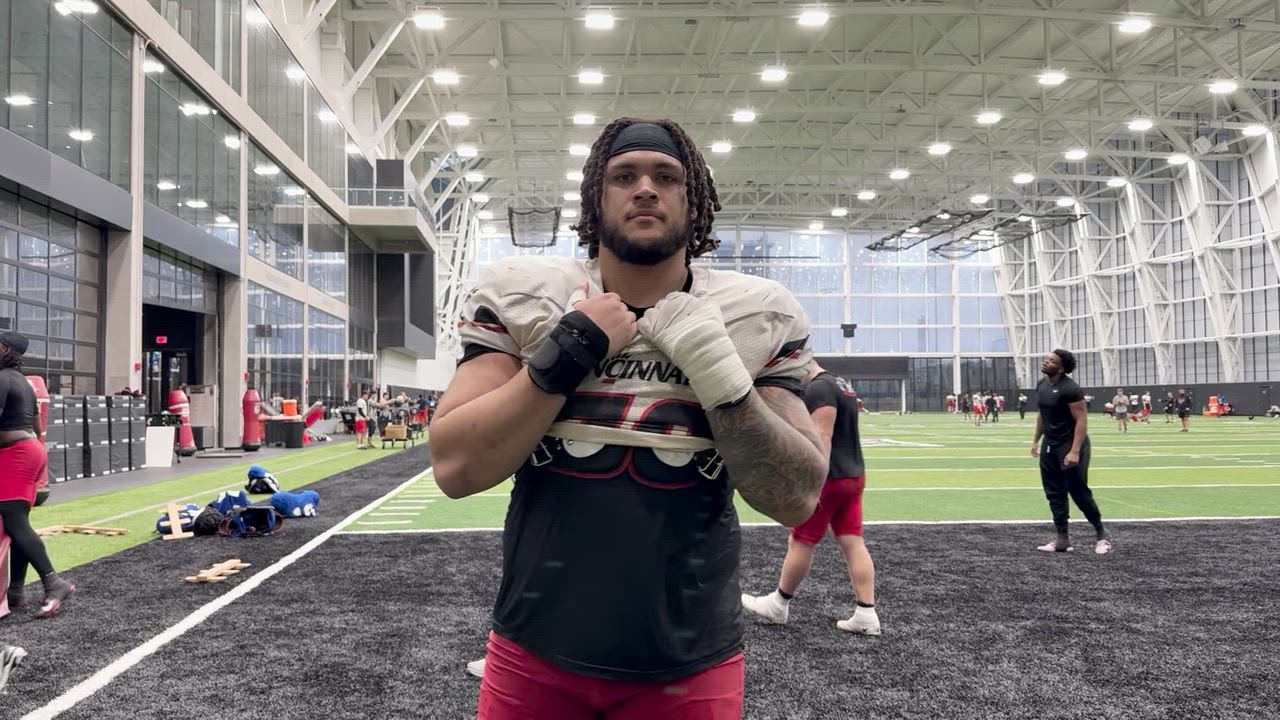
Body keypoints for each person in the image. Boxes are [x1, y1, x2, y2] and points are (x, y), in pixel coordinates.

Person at [431, 117, 826, 719]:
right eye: (624, 176)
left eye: (666, 176)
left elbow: (795, 498)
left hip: (692, 660)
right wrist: (568, 352)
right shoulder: (529, 296)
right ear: (597, 197)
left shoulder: (754, 314)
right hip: (535, 648)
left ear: (694, 202)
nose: (645, 188)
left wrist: (720, 376)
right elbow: (455, 468)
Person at [741, 360, 879, 635]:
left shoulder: (819, 388)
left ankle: (779, 603)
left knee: (801, 541)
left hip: (830, 478)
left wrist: (812, 483)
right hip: (853, 474)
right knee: (852, 542)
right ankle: (866, 613)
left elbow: (822, 437)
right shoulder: (840, 383)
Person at [0, 331, 76, 616]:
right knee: (16, 522)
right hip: (30, 451)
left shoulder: (2, 379)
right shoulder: (25, 383)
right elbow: (36, 426)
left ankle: (54, 582)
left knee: (14, 520)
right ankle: (16, 591)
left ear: (6, 350)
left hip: (15, 454)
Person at [1032, 349, 1110, 554]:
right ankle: (1062, 539)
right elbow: (1042, 415)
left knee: (1078, 491)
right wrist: (1036, 441)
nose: (1046, 362)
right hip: (1050, 445)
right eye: (1046, 359)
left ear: (1061, 368)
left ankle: (1102, 535)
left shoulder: (1070, 388)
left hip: (1071, 444)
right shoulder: (1041, 385)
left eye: (1051, 361)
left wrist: (1074, 451)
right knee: (1053, 492)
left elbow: (1081, 419)